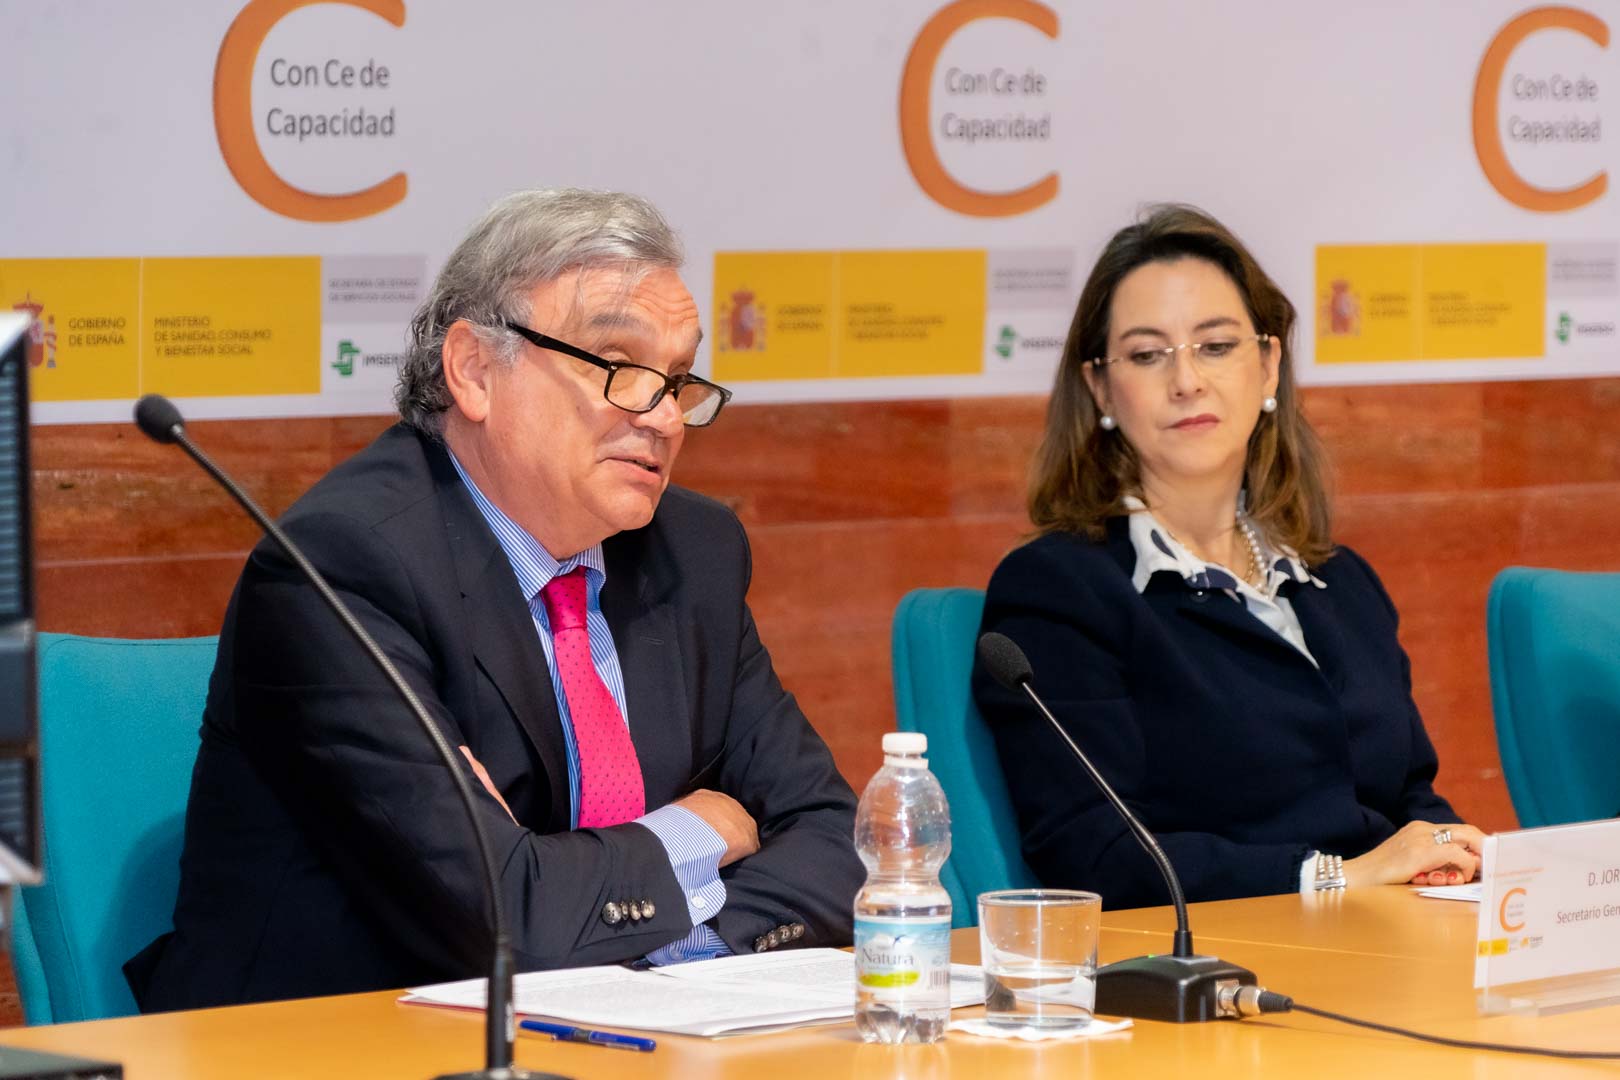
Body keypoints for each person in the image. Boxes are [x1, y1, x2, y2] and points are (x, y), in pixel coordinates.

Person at [127, 188, 864, 1011]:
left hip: (621, 1037)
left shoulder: (694, 552)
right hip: (331, 1042)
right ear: (475, 371)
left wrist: (667, 944)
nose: (663, 417)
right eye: (620, 368)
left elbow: (840, 846)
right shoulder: (340, 567)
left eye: (679, 380)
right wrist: (700, 831)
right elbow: (504, 925)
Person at [972, 204, 1483, 909]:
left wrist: (1449, 853)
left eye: (1215, 346)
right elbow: (1096, 854)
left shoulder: (1341, 581)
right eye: (1147, 355)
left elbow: (1407, 796)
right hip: (1220, 956)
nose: (1186, 380)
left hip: (1390, 936)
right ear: (1100, 388)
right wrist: (1332, 877)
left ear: (1268, 366)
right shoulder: (1058, 590)